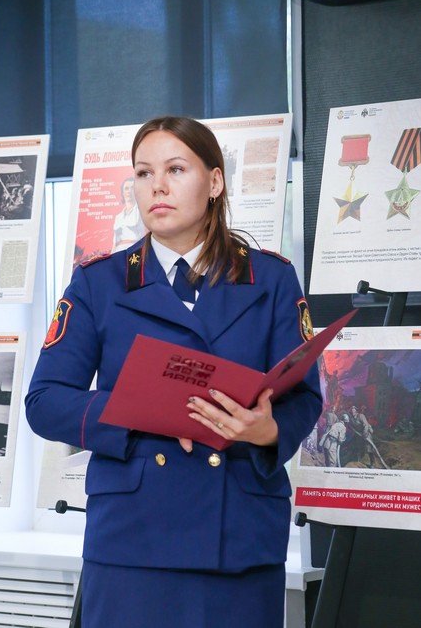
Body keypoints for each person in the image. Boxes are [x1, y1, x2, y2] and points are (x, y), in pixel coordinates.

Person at [25, 115, 322, 628]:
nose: (156, 186)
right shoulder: (99, 282)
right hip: (133, 540)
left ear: (215, 181)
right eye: (143, 173)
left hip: (239, 536)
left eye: (176, 169)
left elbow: (305, 396)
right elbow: (45, 401)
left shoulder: (272, 278)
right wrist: (143, 412)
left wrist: (268, 431)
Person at [112, 176, 147, 252]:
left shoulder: (142, 211)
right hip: (119, 252)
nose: (129, 191)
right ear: (122, 192)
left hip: (135, 251)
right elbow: (114, 243)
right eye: (126, 188)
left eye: (132, 188)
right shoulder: (118, 217)